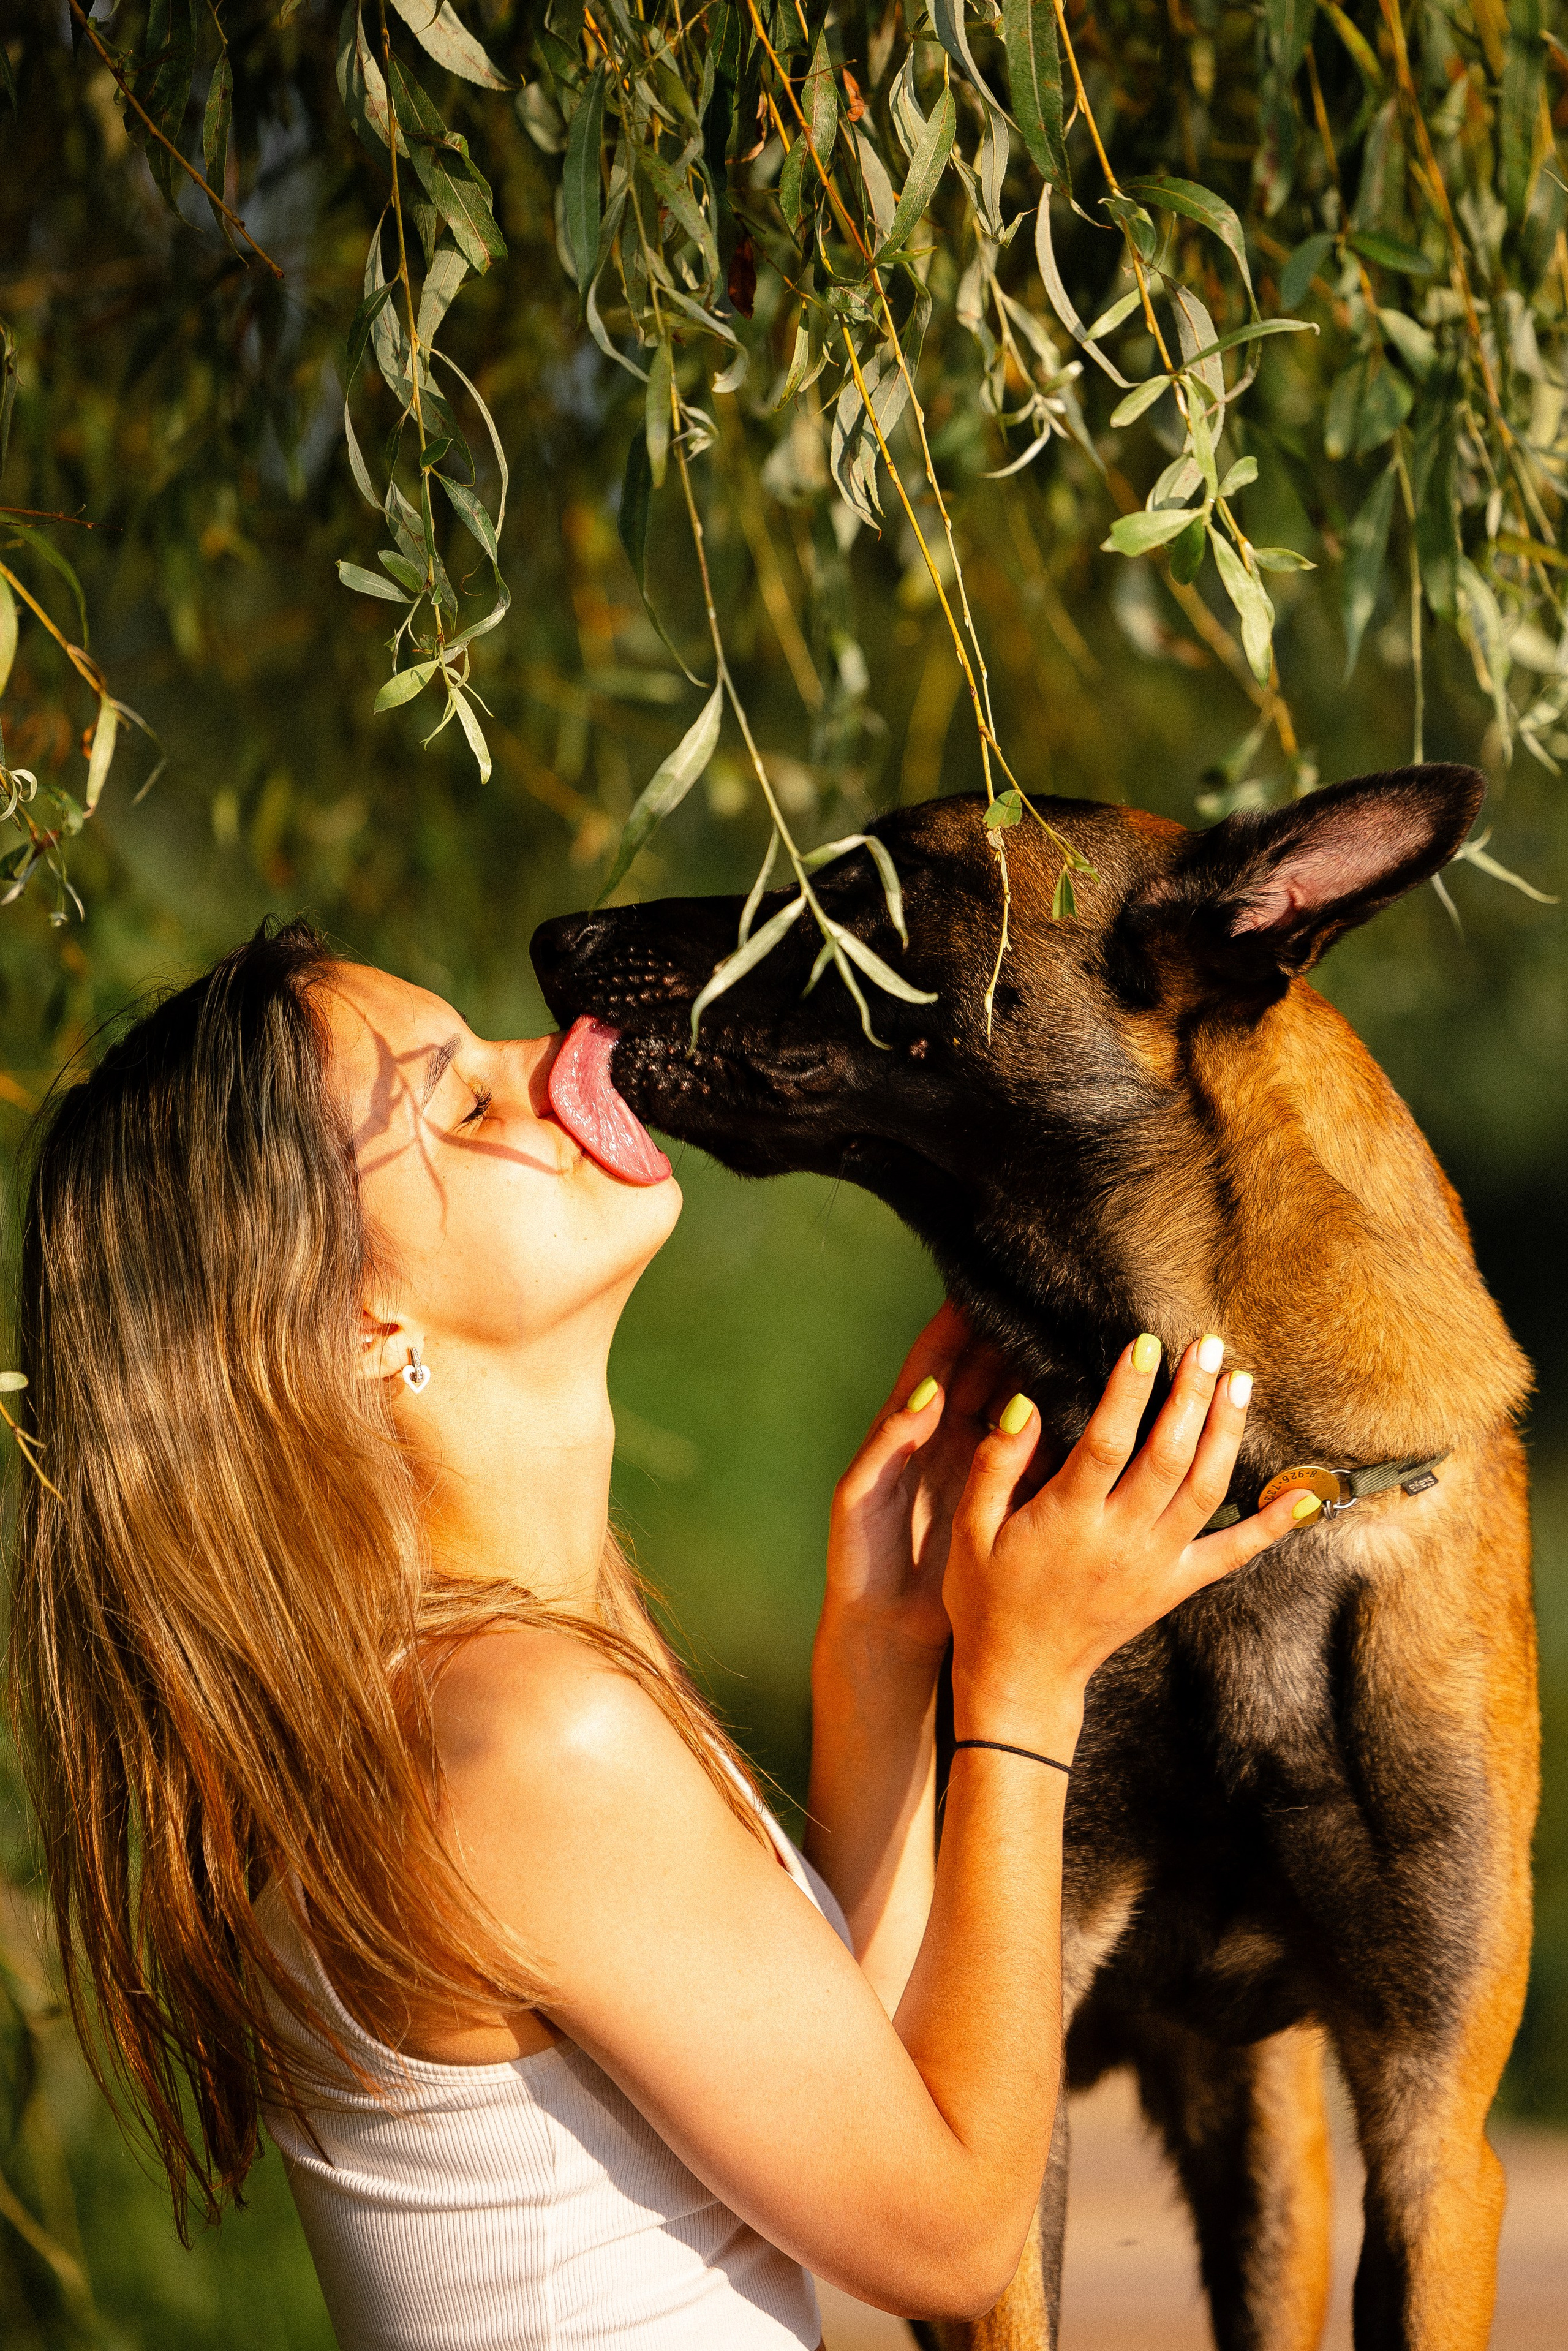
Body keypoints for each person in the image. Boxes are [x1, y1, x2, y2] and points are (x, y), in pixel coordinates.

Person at [7, 918, 1308, 2350]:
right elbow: (943, 2242)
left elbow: (859, 2109)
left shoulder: (497, 1674)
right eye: (468, 1103)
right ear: (356, 1326)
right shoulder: (524, 1735)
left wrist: (878, 1656)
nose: (557, 1055)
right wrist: (1025, 1688)